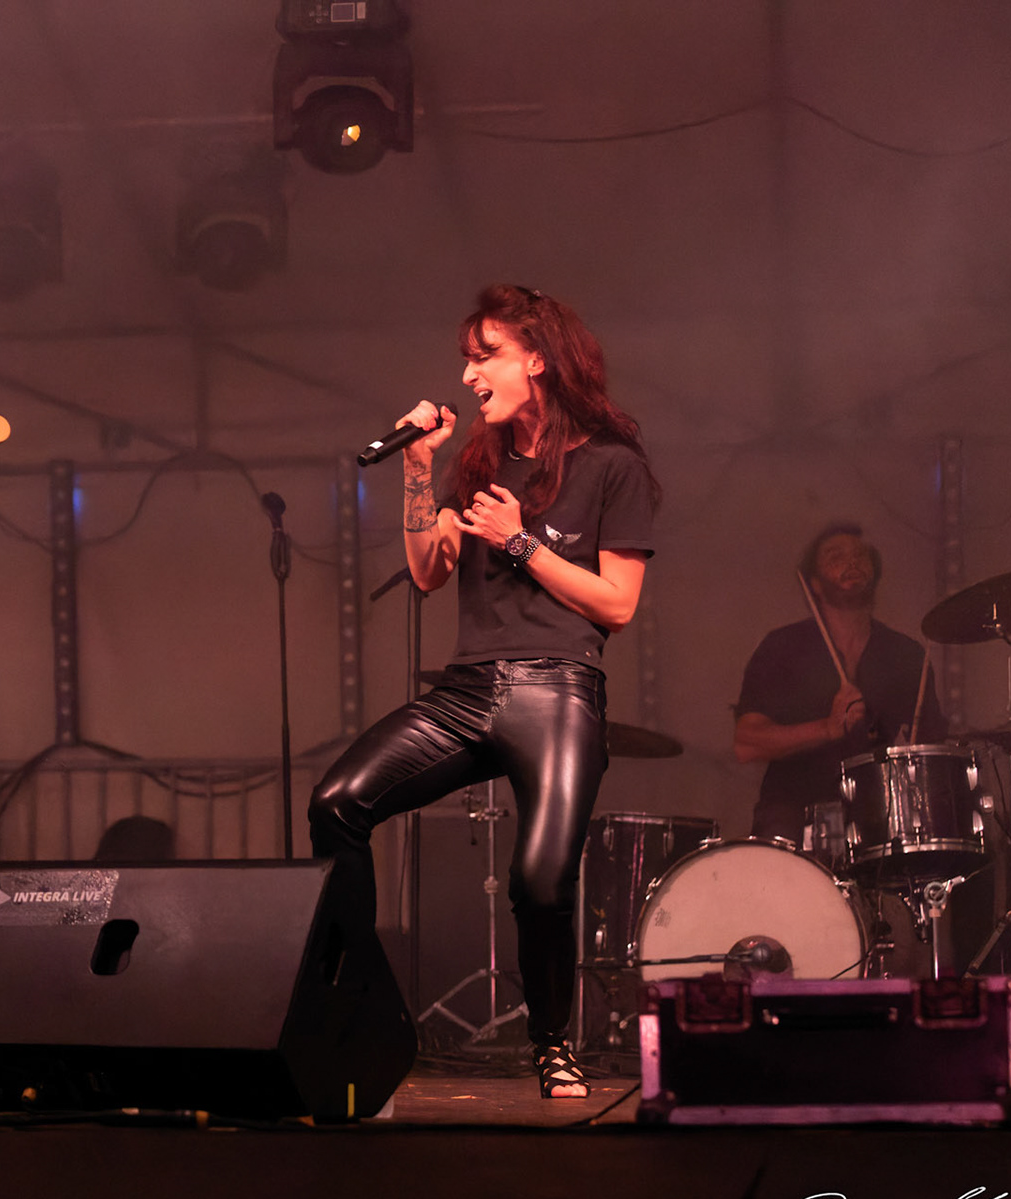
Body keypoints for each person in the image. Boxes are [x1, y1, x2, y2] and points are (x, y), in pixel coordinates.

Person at [308, 284, 657, 1099]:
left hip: (559, 690)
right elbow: (430, 572)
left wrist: (522, 542)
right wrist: (421, 469)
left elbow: (618, 604)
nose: (468, 376)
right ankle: (358, 1005)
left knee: (540, 880)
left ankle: (551, 1043)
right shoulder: (479, 459)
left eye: (485, 355)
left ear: (539, 360)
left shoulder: (613, 466)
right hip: (466, 692)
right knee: (337, 803)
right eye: (466, 359)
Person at [732, 522, 944, 847]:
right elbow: (747, 744)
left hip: (881, 817)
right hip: (794, 813)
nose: (852, 562)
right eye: (836, 556)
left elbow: (931, 743)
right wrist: (827, 728)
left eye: (861, 555)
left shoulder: (907, 654)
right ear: (814, 584)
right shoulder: (782, 647)